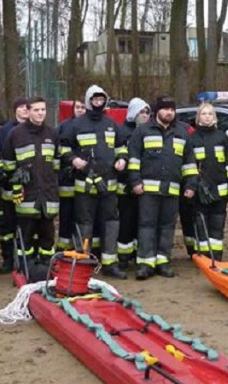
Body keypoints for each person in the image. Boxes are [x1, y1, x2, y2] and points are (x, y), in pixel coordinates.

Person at [127, 96, 197, 279]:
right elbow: (133, 159)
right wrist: (135, 182)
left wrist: (190, 184)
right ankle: (145, 263)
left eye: (172, 109)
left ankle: (163, 261)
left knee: (167, 227)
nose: (169, 112)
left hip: (172, 190)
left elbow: (189, 162)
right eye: (165, 109)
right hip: (147, 190)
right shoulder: (142, 131)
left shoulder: (182, 134)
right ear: (157, 111)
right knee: (146, 226)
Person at [62, 85, 127, 277]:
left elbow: (121, 145)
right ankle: (82, 263)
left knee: (111, 223)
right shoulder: (75, 124)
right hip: (85, 184)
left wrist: (122, 159)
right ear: (89, 100)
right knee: (84, 224)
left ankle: (110, 263)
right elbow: (63, 148)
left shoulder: (111, 123)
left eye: (101, 100)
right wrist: (74, 160)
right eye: (95, 100)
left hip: (109, 184)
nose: (98, 103)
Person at [2, 97, 60, 276]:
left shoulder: (52, 134)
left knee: (48, 237)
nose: (40, 113)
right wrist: (16, 183)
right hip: (26, 196)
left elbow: (56, 165)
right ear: (28, 112)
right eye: (36, 110)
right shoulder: (15, 134)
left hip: (48, 196)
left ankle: (46, 270)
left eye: (43, 109)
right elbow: (7, 165)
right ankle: (24, 269)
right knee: (25, 236)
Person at [187, 102, 228, 260]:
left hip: (220, 190)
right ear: (198, 117)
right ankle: (204, 257)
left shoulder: (221, 137)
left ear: (214, 117)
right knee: (201, 224)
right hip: (200, 190)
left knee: (218, 223)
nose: (207, 116)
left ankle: (216, 256)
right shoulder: (192, 138)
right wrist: (191, 186)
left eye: (210, 113)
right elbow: (189, 166)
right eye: (204, 113)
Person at [0, 97, 30, 274]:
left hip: (29, 187)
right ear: (15, 110)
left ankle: (26, 261)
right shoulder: (5, 131)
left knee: (28, 225)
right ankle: (8, 258)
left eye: (26, 107)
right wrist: (7, 177)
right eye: (21, 107)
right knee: (7, 226)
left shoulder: (35, 130)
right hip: (7, 186)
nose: (24, 110)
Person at [116, 98, 150, 269]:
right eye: (140, 112)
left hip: (143, 185)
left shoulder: (149, 132)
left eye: (146, 112)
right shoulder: (122, 132)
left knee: (142, 221)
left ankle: (138, 253)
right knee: (126, 222)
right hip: (124, 187)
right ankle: (123, 257)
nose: (144, 116)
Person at [56, 99, 87, 252]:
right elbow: (59, 149)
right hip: (67, 178)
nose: (80, 110)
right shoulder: (64, 126)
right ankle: (64, 246)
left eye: (83, 107)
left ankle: (80, 246)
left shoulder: (91, 126)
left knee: (82, 215)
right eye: (78, 107)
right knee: (66, 213)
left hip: (86, 178)